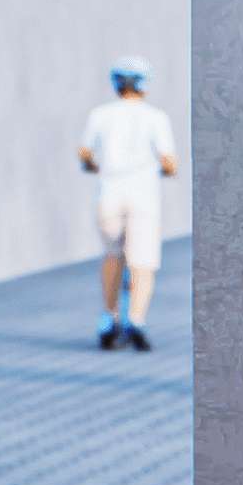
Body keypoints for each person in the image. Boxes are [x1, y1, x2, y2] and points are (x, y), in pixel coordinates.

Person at [80, 57, 179, 351]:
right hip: (143, 196)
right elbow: (169, 162)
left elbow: (85, 154)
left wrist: (97, 167)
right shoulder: (155, 117)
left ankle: (108, 318)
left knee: (112, 255)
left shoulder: (100, 114)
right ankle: (136, 319)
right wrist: (161, 170)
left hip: (109, 193)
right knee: (142, 262)